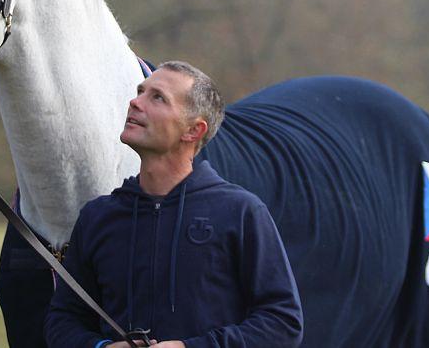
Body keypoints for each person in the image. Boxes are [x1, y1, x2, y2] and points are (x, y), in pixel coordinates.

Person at [44, 61, 303, 348]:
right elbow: (63, 321)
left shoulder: (241, 212)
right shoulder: (98, 217)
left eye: (157, 98)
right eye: (140, 92)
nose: (135, 102)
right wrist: (100, 347)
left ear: (193, 131)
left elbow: (282, 322)